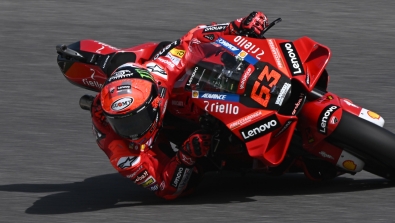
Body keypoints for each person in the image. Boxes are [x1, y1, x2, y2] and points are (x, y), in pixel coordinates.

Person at [91, 12, 269, 199]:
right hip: (165, 143)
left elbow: (193, 38)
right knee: (194, 177)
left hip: (166, 88)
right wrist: (186, 156)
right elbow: (165, 188)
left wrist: (236, 26)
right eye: (122, 124)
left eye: (136, 120)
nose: (131, 131)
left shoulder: (161, 73)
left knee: (207, 65)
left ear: (154, 102)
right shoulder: (121, 151)